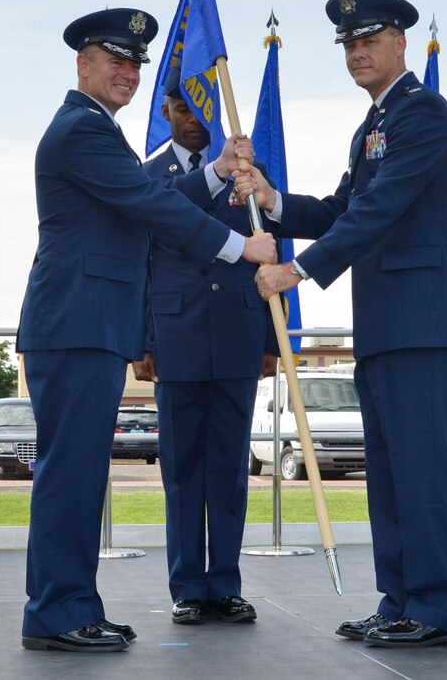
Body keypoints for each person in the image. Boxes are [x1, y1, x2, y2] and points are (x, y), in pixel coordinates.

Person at [16, 8, 276, 654]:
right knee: (70, 475)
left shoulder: (95, 131)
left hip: (91, 323)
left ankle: (72, 604)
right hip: (78, 321)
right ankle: (56, 611)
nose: (127, 72)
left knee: (79, 474)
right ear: (82, 63)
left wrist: (216, 172)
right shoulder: (82, 131)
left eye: (134, 63)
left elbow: (149, 197)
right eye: (114, 60)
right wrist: (236, 248)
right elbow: (151, 205)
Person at [235, 0, 447, 649]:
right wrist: (272, 200)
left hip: (422, 322)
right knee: (393, 471)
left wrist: (297, 271)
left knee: (420, 470)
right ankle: (400, 599)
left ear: (401, 43)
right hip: (387, 323)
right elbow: (344, 210)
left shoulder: (423, 116)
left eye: (370, 39)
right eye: (347, 43)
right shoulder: (374, 126)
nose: (357, 51)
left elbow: (382, 210)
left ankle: (437, 609)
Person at [132, 61, 279, 626]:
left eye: (202, 109)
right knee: (184, 470)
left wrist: (269, 337)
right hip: (176, 337)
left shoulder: (248, 175)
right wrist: (142, 341)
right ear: (166, 112)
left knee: (228, 468)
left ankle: (226, 585)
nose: (193, 119)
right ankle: (189, 586)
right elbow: (146, 260)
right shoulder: (148, 177)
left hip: (239, 334)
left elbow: (268, 251)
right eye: (182, 108)